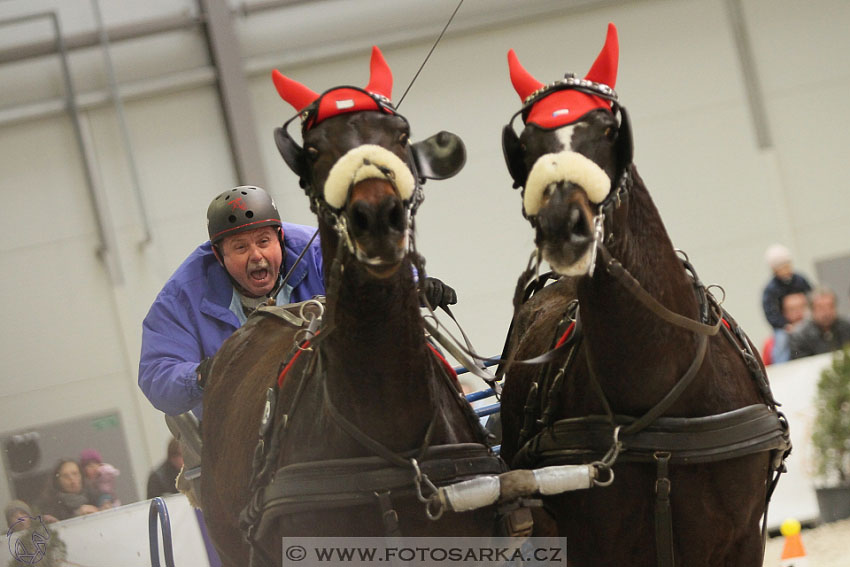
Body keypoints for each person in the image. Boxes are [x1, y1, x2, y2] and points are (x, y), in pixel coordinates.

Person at [139, 186, 326, 418]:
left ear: (280, 238)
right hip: (242, 421)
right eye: (240, 247)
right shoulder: (182, 296)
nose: (256, 255)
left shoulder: (323, 253)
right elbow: (157, 373)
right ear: (219, 255)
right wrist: (207, 374)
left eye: (264, 241)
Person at [761, 244, 812, 332]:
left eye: (787, 265)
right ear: (774, 270)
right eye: (781, 267)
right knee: (781, 343)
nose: (786, 269)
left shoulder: (800, 280)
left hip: (808, 320)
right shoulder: (770, 290)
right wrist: (784, 325)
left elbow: (812, 297)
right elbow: (770, 313)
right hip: (785, 328)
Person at [789, 287, 850, 360]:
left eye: (830, 306)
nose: (827, 312)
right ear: (811, 310)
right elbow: (801, 363)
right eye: (821, 308)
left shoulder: (846, 326)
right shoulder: (799, 335)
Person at [764, 292, 810, 364]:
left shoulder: (820, 331)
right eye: (792, 309)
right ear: (784, 313)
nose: (798, 312)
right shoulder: (771, 344)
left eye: (801, 307)